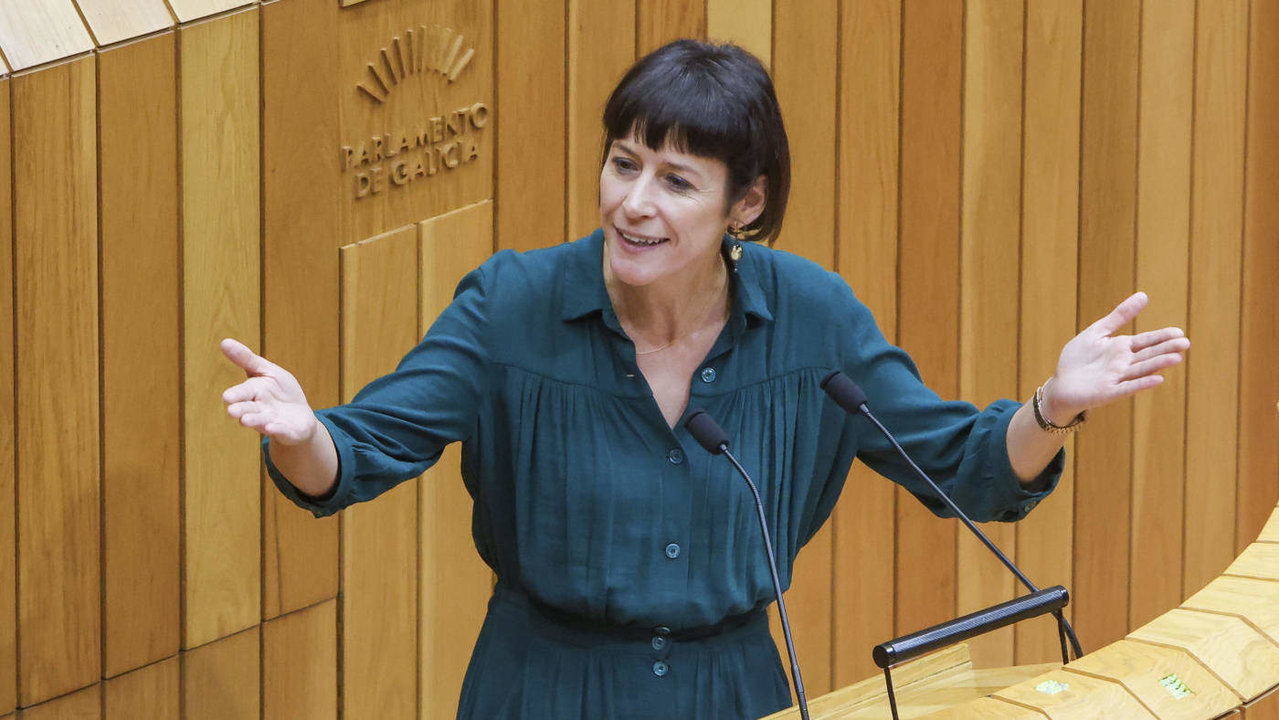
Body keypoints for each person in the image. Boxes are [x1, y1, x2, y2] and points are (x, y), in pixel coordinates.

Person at [221, 40, 1188, 719]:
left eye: (676, 180)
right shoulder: (511, 304)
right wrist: (306, 432)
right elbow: (358, 457)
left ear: (745, 202)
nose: (633, 203)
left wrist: (1052, 406)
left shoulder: (813, 321)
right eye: (621, 163)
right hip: (545, 689)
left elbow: (966, 470)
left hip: (735, 689)